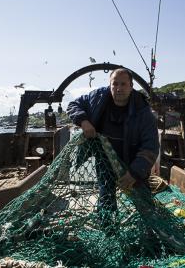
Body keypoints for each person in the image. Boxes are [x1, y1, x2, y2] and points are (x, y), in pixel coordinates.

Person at [67, 68, 159, 213]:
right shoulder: (97, 97)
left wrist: (134, 173)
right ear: (109, 84)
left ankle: (150, 231)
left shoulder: (143, 112)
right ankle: (109, 229)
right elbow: (73, 105)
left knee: (144, 201)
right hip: (105, 157)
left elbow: (150, 147)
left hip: (133, 159)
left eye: (123, 84)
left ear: (131, 86)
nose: (118, 88)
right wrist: (83, 121)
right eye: (115, 84)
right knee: (106, 196)